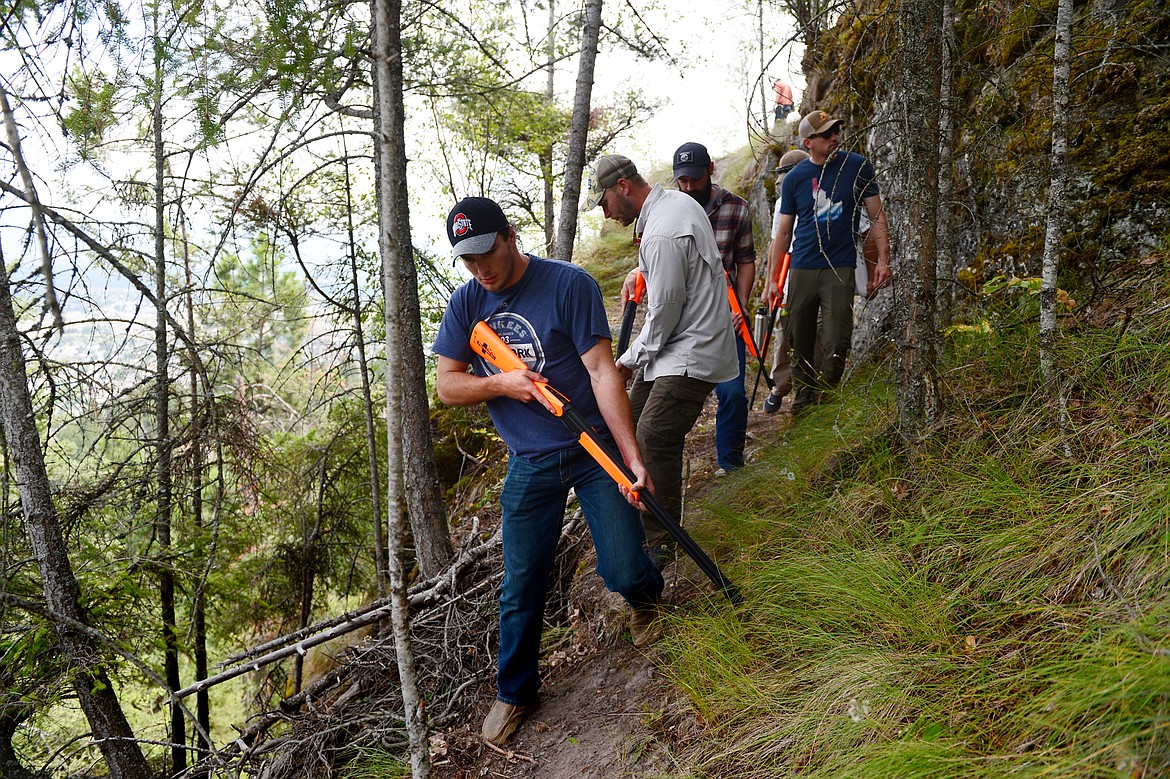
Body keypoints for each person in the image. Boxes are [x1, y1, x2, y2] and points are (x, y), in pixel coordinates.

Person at [433, 196, 665, 746]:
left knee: (624, 569)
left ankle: (646, 599)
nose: (481, 269)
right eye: (468, 260)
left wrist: (631, 457)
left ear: (511, 236)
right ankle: (515, 693)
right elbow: (447, 385)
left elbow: (603, 372)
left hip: (590, 446)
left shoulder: (568, 285)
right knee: (521, 583)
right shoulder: (467, 304)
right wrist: (501, 384)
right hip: (529, 460)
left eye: (487, 253)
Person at [583, 154, 738, 561]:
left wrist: (627, 360)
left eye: (603, 203)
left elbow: (665, 311)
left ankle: (661, 541)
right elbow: (669, 271)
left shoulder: (661, 232)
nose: (605, 213)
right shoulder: (672, 206)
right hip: (678, 345)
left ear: (622, 187)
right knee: (625, 425)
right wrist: (640, 270)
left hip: (693, 349)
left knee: (653, 436)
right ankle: (632, 518)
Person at [765, 110, 891, 414]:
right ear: (809, 142)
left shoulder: (856, 166)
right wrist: (771, 279)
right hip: (803, 267)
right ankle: (804, 402)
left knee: (837, 339)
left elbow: (876, 216)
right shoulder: (795, 178)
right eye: (826, 134)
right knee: (800, 337)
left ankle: (827, 394)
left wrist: (884, 261)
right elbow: (783, 233)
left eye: (836, 131)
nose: (834, 137)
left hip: (840, 265)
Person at [672, 141, 756, 472]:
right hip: (682, 320)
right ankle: (667, 472)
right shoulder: (670, 211)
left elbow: (746, 260)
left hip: (726, 316)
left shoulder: (737, 208)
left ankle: (731, 465)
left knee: (733, 393)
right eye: (682, 181)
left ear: (710, 169)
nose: (689, 187)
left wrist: (743, 305)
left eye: (694, 178)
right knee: (673, 398)